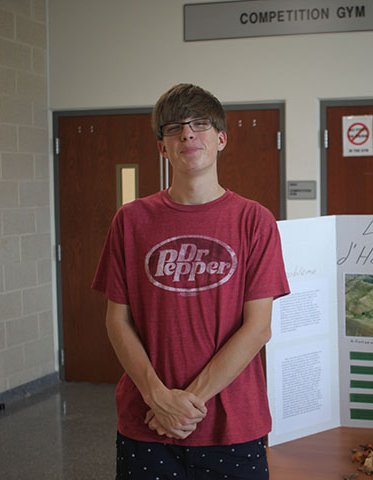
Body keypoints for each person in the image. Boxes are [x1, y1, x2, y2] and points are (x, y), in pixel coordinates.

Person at [92, 83, 290, 480]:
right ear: (163, 148)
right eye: (174, 128)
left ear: (220, 139)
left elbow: (258, 327)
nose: (187, 133)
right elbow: (118, 321)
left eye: (199, 124)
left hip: (232, 425)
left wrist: (182, 405)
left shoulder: (255, 221)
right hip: (146, 422)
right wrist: (157, 397)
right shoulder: (131, 220)